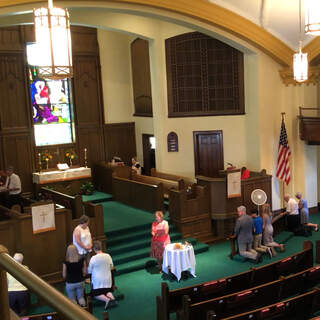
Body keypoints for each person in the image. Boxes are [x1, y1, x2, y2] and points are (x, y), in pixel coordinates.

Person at [88, 241, 116, 310]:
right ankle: (113, 298)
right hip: (108, 281)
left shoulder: (93, 258)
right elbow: (112, 267)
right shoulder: (108, 256)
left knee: (95, 294)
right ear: (101, 247)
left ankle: (107, 300)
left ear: (94, 249)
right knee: (107, 291)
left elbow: (89, 271)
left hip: (98, 282)